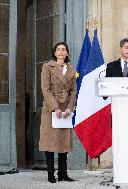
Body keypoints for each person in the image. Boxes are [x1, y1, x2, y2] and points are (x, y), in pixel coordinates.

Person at [39, 42, 76, 183]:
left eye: (64, 49)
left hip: (66, 109)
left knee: (63, 141)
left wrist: (69, 108)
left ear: (67, 53)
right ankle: (50, 174)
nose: (61, 52)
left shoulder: (71, 69)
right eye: (58, 49)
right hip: (51, 108)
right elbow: (45, 89)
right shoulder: (47, 67)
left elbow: (73, 91)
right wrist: (55, 107)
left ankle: (63, 173)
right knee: (49, 141)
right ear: (54, 53)